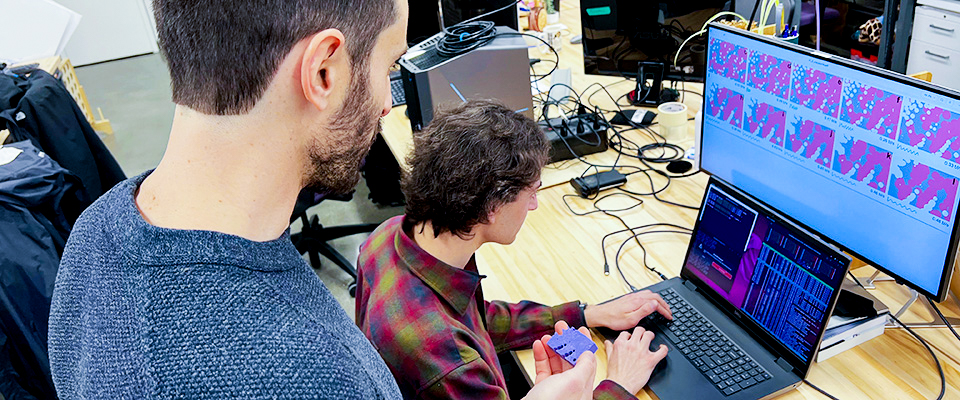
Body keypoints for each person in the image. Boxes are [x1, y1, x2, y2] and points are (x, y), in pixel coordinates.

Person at [356, 99, 673, 399]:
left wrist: (587, 315)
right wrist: (619, 383)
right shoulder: (450, 365)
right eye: (531, 192)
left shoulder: (391, 236)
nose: (534, 205)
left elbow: (476, 321)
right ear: (493, 205)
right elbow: (455, 344)